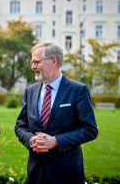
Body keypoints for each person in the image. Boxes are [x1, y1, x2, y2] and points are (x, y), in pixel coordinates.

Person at [15, 41, 98, 184]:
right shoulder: (30, 91)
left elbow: (90, 130)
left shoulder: (78, 90)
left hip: (66, 172)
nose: (32, 66)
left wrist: (56, 141)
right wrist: (30, 139)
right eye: (32, 62)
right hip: (36, 172)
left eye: (36, 62)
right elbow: (20, 126)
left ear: (54, 61)